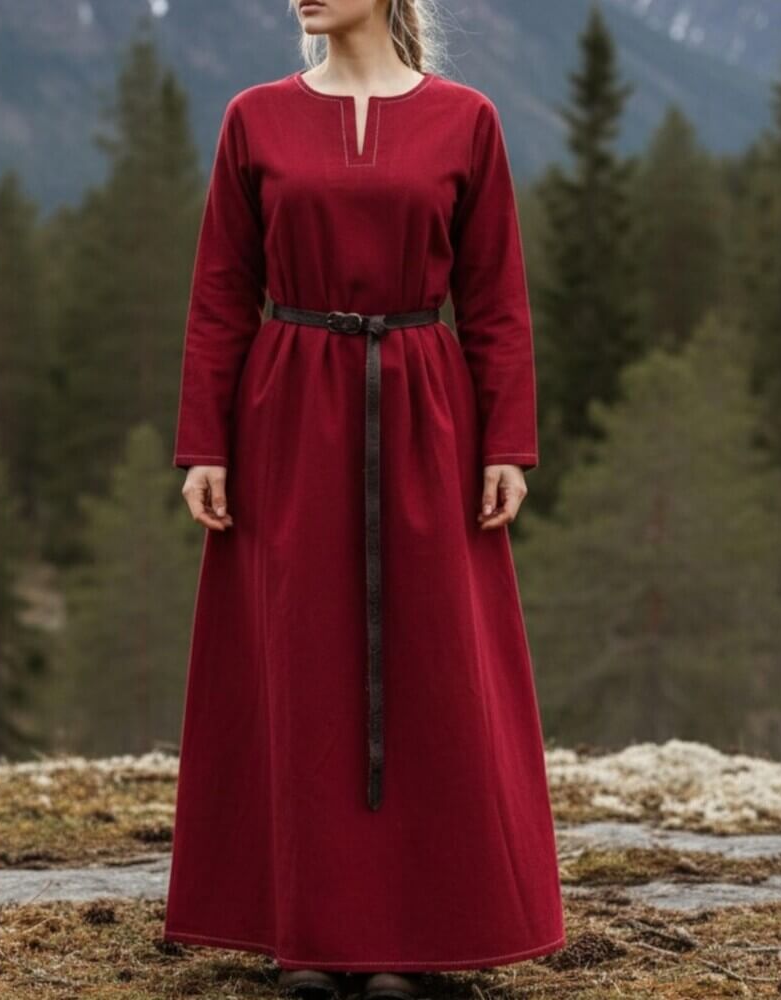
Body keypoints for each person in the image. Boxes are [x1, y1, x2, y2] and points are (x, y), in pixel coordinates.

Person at [163, 1, 567, 997]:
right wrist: (203, 442)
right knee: (301, 661)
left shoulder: (465, 118)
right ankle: (309, 931)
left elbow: (493, 294)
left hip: (428, 411)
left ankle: (421, 934)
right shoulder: (253, 118)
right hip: (289, 410)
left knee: (434, 661)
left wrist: (505, 440)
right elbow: (221, 291)